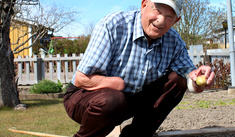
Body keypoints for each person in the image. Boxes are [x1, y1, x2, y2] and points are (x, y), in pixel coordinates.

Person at [63, 0, 215, 136]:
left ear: (176, 20)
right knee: (113, 99)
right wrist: (116, 84)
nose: (161, 21)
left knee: (177, 80)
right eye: (158, 10)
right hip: (86, 97)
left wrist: (196, 80)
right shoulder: (113, 25)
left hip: (130, 100)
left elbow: (188, 75)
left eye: (169, 17)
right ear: (143, 5)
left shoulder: (174, 41)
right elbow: (81, 79)